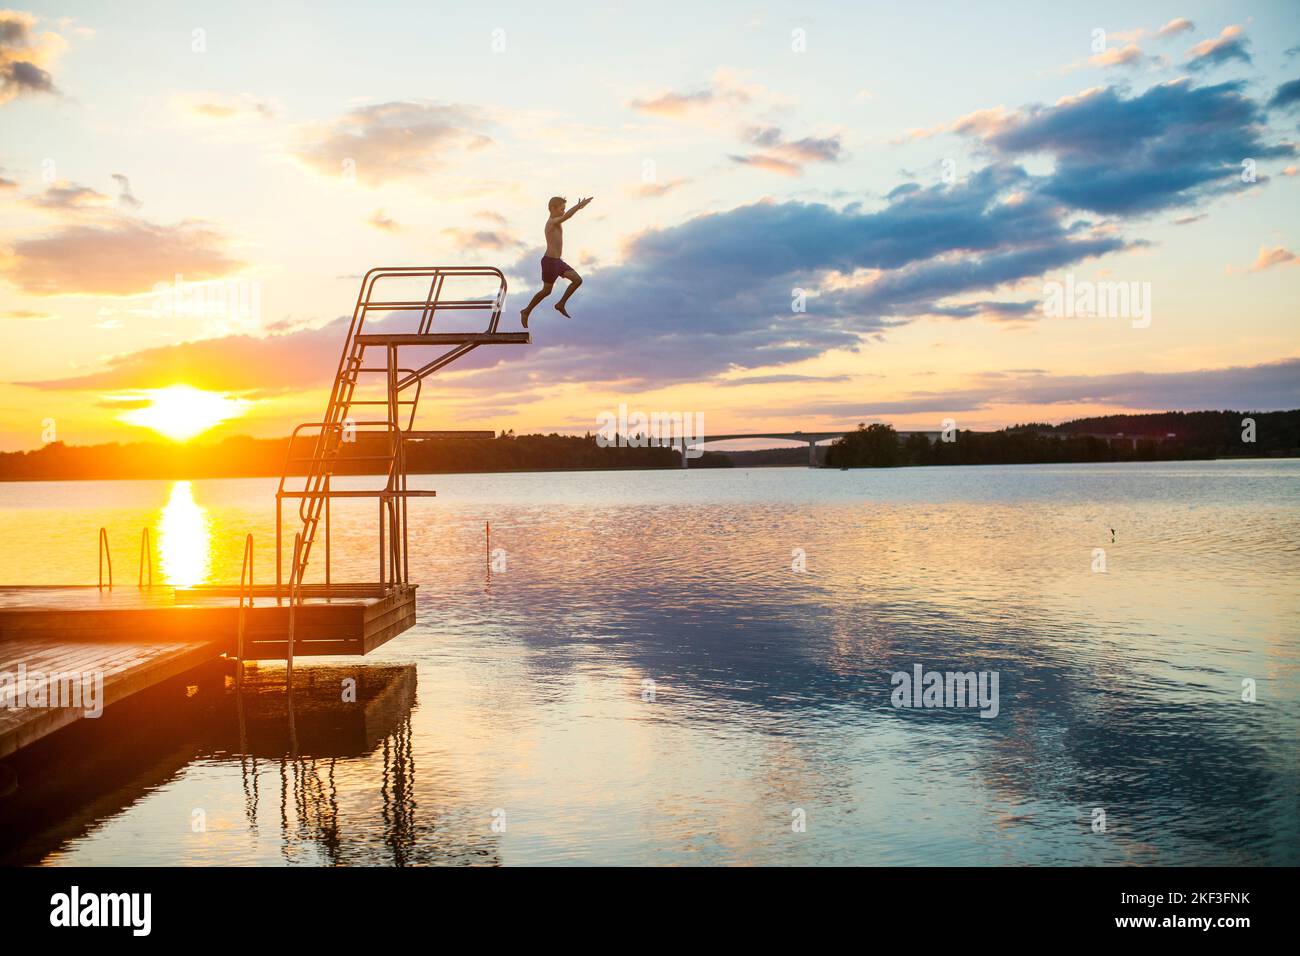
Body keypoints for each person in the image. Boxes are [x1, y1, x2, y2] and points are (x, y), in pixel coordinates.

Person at [520, 195, 591, 327]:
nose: (563, 212)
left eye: (564, 209)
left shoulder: (556, 220)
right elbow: (566, 217)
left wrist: (577, 207)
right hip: (549, 262)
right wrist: (578, 207)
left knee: (577, 280)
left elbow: (564, 216)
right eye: (561, 209)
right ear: (553, 208)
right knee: (546, 291)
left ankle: (560, 304)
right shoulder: (551, 222)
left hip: (558, 262)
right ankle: (526, 311)